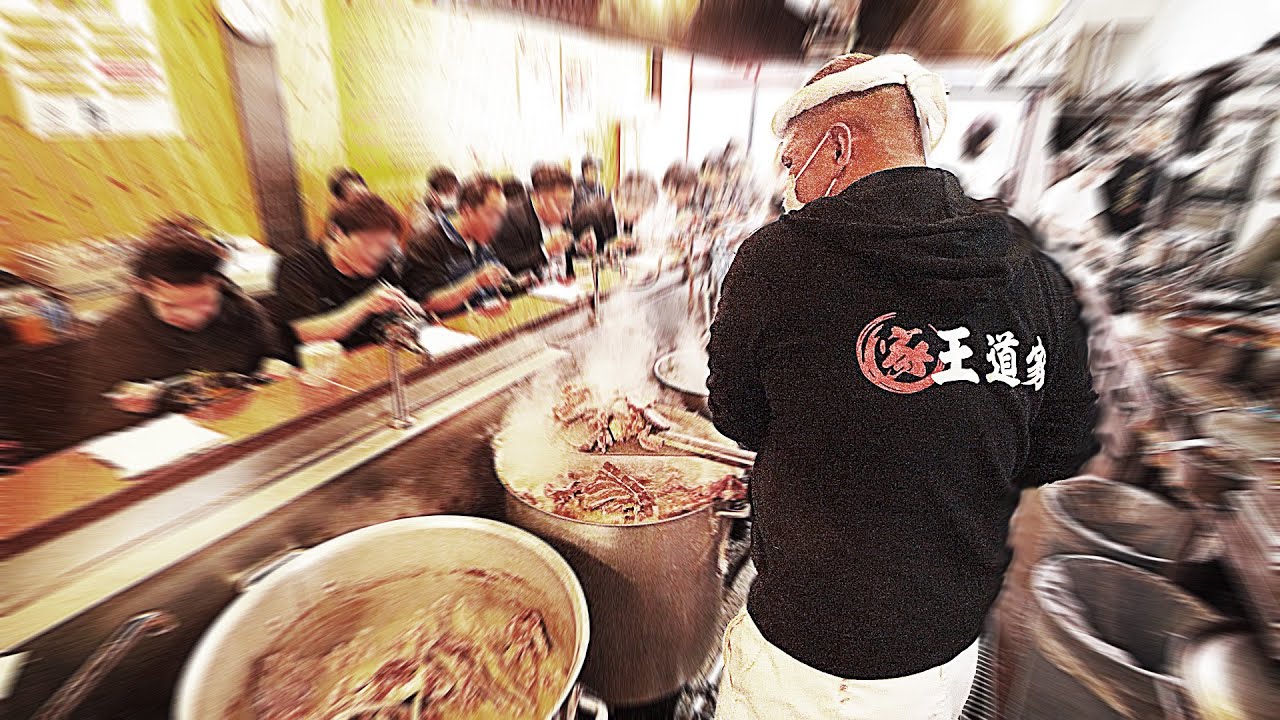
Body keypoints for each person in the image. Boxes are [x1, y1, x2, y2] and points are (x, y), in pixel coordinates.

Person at [707, 53, 1098, 720]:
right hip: (947, 651)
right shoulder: (1031, 270)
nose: (791, 184)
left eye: (793, 160)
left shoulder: (778, 260)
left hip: (809, 656)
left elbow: (735, 414)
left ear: (836, 147)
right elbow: (1061, 446)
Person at [77, 217, 278, 433]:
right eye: (172, 305)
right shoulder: (118, 332)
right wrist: (127, 407)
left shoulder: (242, 311)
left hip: (243, 428)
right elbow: (93, 417)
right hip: (165, 443)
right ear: (142, 288)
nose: (192, 316)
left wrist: (277, 368)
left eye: (204, 302)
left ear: (217, 283)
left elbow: (272, 361)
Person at [273, 194, 416, 352]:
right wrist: (366, 305)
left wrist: (401, 314)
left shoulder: (383, 263)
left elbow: (387, 319)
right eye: (368, 243)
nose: (376, 253)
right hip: (319, 367)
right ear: (338, 233)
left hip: (369, 356)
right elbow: (307, 334)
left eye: (385, 247)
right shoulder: (297, 266)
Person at [405, 175, 514, 315]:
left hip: (483, 320)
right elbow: (426, 303)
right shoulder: (426, 242)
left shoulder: (481, 239)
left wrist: (504, 281)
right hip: (450, 329)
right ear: (466, 211)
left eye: (501, 216)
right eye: (492, 215)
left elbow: (495, 280)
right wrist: (476, 281)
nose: (498, 224)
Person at [492, 163, 576, 279]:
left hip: (567, 289)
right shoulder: (509, 218)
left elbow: (567, 258)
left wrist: (579, 248)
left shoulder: (563, 217)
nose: (567, 213)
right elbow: (509, 268)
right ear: (538, 197)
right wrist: (546, 250)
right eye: (560, 206)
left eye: (570, 205)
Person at [572, 171, 661, 256]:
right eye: (637, 214)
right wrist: (607, 249)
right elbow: (577, 254)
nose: (638, 219)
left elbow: (622, 248)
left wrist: (634, 247)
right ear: (624, 200)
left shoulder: (625, 217)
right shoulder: (591, 215)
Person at [412, 167, 460, 233]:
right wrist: (436, 210)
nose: (453, 198)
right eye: (448, 194)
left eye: (455, 193)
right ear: (433, 194)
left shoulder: (452, 209)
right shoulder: (420, 214)